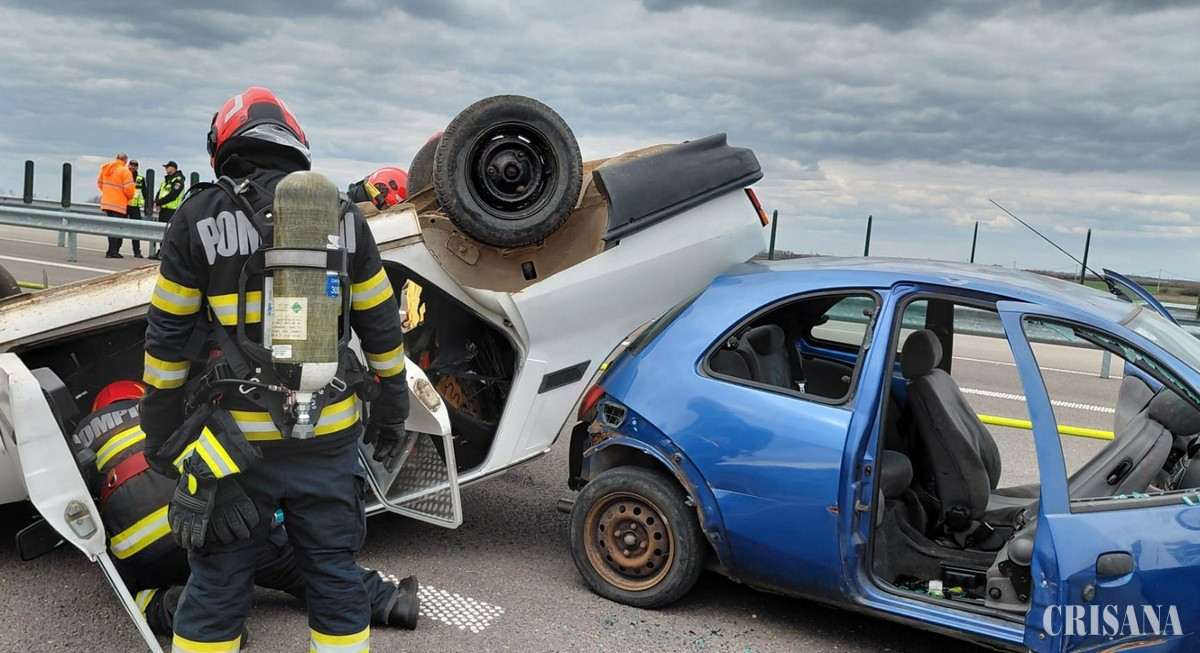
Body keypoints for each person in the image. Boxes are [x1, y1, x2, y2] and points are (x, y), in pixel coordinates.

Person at [140, 87, 412, 653]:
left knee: (217, 582)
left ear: (224, 145)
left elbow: (168, 343)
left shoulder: (199, 216)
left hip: (233, 448)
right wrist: (393, 406)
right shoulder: (343, 216)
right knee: (334, 575)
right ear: (295, 143)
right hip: (329, 436)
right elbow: (382, 327)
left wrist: (161, 429)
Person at [70, 381, 418, 638]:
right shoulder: (161, 409)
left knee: (129, 591)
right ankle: (390, 602)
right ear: (137, 395)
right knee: (306, 566)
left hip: (141, 546)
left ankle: (169, 607)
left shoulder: (83, 440)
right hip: (197, 508)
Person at [98, 152, 136, 259]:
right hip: (119, 204)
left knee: (111, 228)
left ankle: (110, 250)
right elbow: (129, 190)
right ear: (125, 161)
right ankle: (113, 251)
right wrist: (128, 198)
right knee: (117, 228)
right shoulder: (125, 171)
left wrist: (108, 193)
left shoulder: (105, 168)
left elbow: (100, 184)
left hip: (107, 203)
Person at [148, 162, 186, 260]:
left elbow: (173, 195)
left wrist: (159, 202)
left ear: (173, 168)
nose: (166, 169)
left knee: (169, 233)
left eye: (167, 167)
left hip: (172, 211)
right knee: (163, 232)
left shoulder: (178, 181)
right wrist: (156, 202)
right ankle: (161, 252)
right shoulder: (166, 181)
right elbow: (160, 192)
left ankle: (166, 254)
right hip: (164, 210)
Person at [125, 159, 149, 258]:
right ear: (128, 166)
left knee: (136, 230)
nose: (133, 167)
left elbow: (145, 193)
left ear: (137, 167)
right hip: (124, 206)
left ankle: (137, 251)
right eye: (131, 165)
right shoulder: (124, 176)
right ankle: (115, 249)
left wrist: (147, 206)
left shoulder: (140, 178)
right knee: (120, 227)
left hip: (135, 207)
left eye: (135, 165)